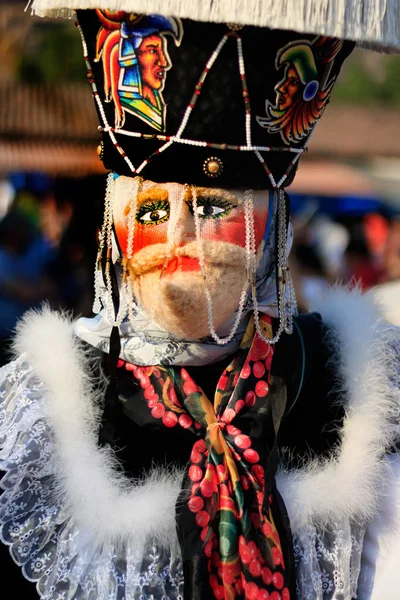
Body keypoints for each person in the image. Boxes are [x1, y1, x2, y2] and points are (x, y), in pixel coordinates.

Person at [1, 2, 400, 600]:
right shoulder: (45, 408)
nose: (179, 236)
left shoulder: (341, 385)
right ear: (116, 230)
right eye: (154, 211)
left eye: (214, 207)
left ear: (272, 232)